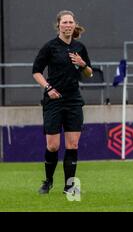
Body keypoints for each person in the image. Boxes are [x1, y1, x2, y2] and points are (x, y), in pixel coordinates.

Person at [32, 10, 93, 195]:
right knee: (52, 145)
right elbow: (36, 71)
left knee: (72, 145)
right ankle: (48, 181)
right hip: (53, 101)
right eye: (64, 22)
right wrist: (48, 89)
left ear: (75, 25)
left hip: (73, 100)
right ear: (58, 25)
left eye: (70, 22)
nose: (68, 25)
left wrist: (83, 64)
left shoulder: (80, 47)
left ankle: (69, 186)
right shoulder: (50, 47)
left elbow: (89, 73)